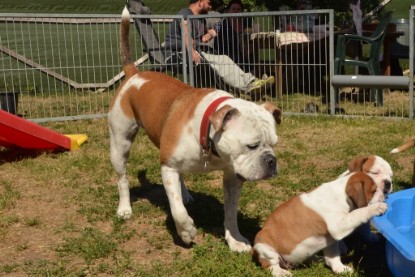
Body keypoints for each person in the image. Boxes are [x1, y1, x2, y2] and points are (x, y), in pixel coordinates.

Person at [164, 0, 274, 95]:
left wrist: (205, 37)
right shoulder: (186, 13)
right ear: (199, 2)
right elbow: (185, 30)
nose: (210, 6)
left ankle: (252, 83)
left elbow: (200, 38)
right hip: (178, 55)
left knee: (224, 59)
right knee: (224, 59)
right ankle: (250, 85)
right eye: (208, 2)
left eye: (238, 9)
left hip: (198, 53)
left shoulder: (201, 19)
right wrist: (192, 51)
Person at [214, 0, 254, 70]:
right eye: (233, 9)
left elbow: (252, 38)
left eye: (238, 9)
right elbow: (215, 31)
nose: (236, 11)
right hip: (226, 58)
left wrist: (250, 48)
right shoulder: (221, 23)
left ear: (242, 11)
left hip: (245, 58)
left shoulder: (246, 23)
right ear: (228, 11)